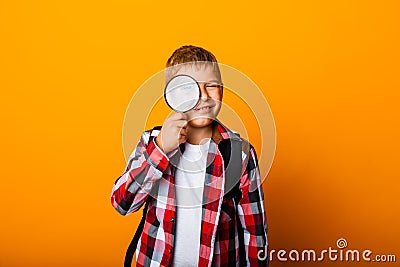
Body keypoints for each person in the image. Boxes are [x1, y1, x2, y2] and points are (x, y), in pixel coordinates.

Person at [111, 45, 269, 267]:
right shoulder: (151, 142)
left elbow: (255, 232)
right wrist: (160, 149)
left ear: (222, 89)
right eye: (189, 88)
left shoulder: (240, 154)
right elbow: (122, 203)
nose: (203, 96)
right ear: (172, 95)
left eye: (211, 86)